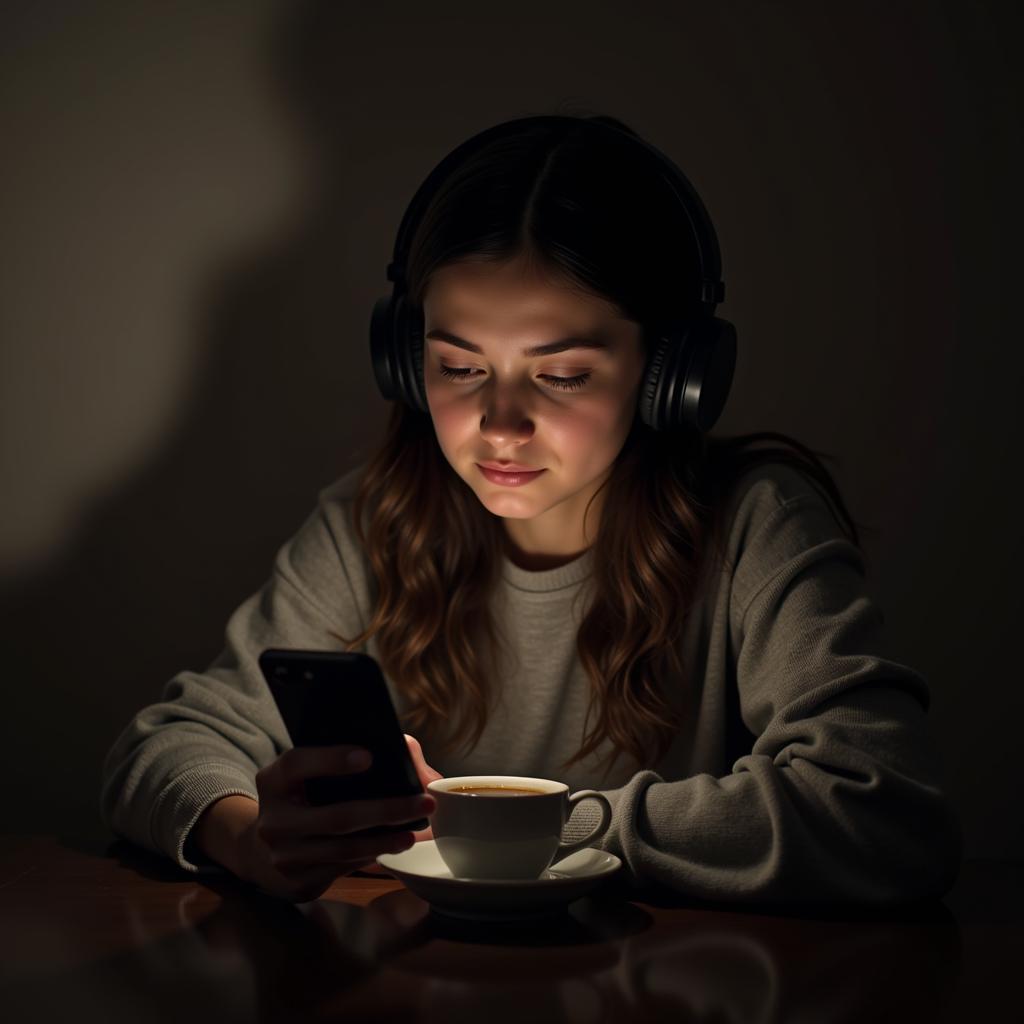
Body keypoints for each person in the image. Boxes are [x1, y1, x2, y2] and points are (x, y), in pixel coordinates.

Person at [100, 113, 962, 906]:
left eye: (563, 374)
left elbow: (885, 808)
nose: (500, 423)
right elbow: (166, 744)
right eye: (460, 367)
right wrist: (250, 835)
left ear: (670, 377)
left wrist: (530, 830)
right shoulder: (373, 521)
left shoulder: (754, 524)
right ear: (408, 362)